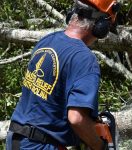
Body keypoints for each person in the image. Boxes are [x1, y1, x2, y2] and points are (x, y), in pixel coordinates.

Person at [6, 0, 120, 149]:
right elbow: (77, 119)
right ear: (101, 26)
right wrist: (100, 146)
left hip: (16, 139)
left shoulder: (47, 40)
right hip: (40, 145)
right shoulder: (84, 58)